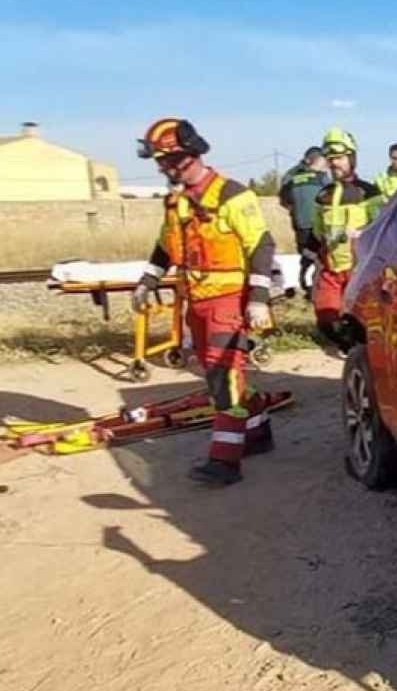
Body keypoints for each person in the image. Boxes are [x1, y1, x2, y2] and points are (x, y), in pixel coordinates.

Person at [132, 117, 279, 486]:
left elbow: (261, 245)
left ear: (188, 155)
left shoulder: (232, 196)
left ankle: (225, 461)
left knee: (222, 377)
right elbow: (167, 245)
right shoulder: (178, 201)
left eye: (166, 161)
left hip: (228, 302)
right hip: (196, 302)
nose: (162, 168)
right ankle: (258, 432)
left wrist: (258, 299)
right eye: (159, 162)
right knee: (222, 372)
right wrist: (148, 279)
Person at [311, 128, 382, 344]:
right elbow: (317, 232)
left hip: (359, 268)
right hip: (331, 269)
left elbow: (382, 227)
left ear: (351, 158)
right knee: (326, 319)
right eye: (330, 159)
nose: (334, 163)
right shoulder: (323, 195)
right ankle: (348, 348)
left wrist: (361, 233)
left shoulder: (368, 192)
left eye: (339, 158)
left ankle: (358, 356)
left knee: (361, 323)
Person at [277, 146, 328, 257]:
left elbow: (283, 200)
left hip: (300, 225)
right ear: (317, 161)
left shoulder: (291, 175)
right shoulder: (321, 177)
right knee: (321, 258)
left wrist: (295, 211)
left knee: (305, 257)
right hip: (319, 226)